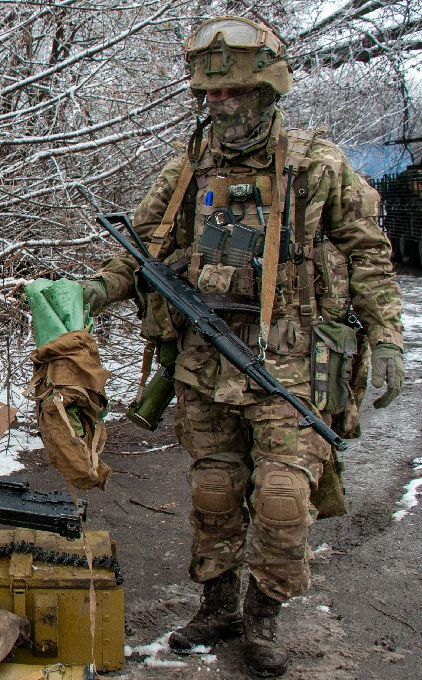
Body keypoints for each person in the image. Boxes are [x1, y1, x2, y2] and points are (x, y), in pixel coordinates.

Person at [77, 16, 404, 677]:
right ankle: (218, 606)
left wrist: (389, 334)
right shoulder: (188, 171)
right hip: (206, 365)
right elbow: (140, 248)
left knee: (283, 501)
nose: (220, 107)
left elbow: (368, 253)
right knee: (214, 494)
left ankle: (263, 621)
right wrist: (91, 294)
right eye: (211, 97)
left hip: (289, 365)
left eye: (234, 95)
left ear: (268, 92)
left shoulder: (317, 167)